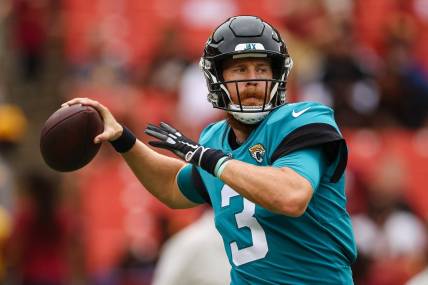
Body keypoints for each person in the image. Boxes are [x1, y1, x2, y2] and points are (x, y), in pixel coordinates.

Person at [63, 15, 357, 284]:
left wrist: (211, 159)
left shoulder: (301, 120)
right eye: (240, 69)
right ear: (218, 79)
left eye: (262, 68)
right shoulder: (216, 138)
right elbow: (172, 186)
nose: (253, 80)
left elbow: (292, 196)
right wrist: (124, 141)